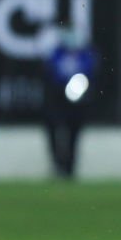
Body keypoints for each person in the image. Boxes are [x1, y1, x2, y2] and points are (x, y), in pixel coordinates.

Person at [43, 29, 98, 179]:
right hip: (58, 99)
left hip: (78, 103)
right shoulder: (56, 54)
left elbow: (90, 74)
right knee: (54, 130)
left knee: (74, 134)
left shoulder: (86, 55)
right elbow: (51, 73)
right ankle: (57, 164)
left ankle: (70, 168)